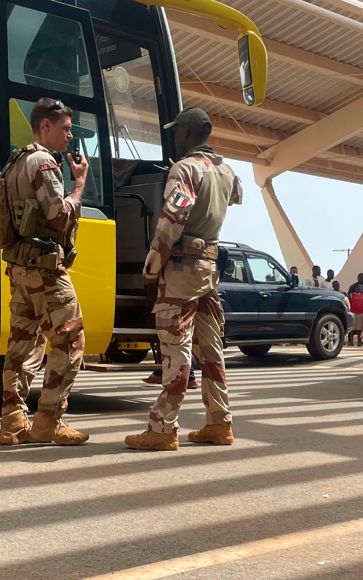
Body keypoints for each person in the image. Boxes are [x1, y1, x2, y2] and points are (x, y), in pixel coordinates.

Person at [126, 108, 242, 451]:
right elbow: (234, 199)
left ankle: (162, 428)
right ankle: (219, 424)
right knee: (211, 349)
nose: (174, 138)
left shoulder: (186, 169)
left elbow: (172, 219)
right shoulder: (227, 171)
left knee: (176, 350)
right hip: (209, 269)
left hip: (181, 270)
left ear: (188, 133)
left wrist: (152, 264)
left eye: (177, 132)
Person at [0, 98, 90, 446]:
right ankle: (49, 420)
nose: (69, 136)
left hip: (19, 269)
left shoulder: (15, 161)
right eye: (65, 128)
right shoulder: (44, 164)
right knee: (70, 341)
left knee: (21, 345)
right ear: (45, 126)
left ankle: (12, 423)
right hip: (46, 271)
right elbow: (58, 217)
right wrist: (78, 186)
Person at [348, 273, 363, 346]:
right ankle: (350, 340)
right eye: (361, 278)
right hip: (353, 311)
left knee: (359, 327)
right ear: (358, 278)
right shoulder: (352, 286)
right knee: (352, 327)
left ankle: (359, 341)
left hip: (361, 310)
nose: (362, 279)